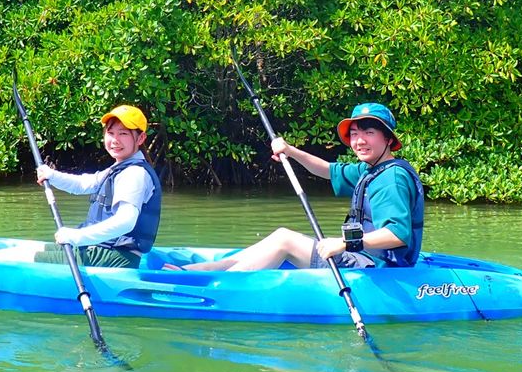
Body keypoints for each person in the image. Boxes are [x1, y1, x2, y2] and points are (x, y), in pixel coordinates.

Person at [173, 103, 423, 272]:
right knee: (281, 234)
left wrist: (344, 244)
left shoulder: (391, 179)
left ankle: (215, 283)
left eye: (368, 133)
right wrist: (290, 151)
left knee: (285, 240)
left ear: (388, 139)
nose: (358, 141)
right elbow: (326, 170)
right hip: (367, 259)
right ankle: (206, 270)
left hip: (377, 270)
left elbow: (397, 235)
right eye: (355, 134)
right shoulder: (370, 169)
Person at [30, 104, 162, 269]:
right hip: (102, 250)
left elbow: (126, 221)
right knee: (34, 249)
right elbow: (83, 184)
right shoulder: (120, 168)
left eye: (123, 134)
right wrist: (52, 175)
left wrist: (77, 236)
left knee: (23, 257)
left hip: (113, 256)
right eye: (110, 132)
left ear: (140, 138)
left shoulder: (134, 174)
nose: (115, 140)